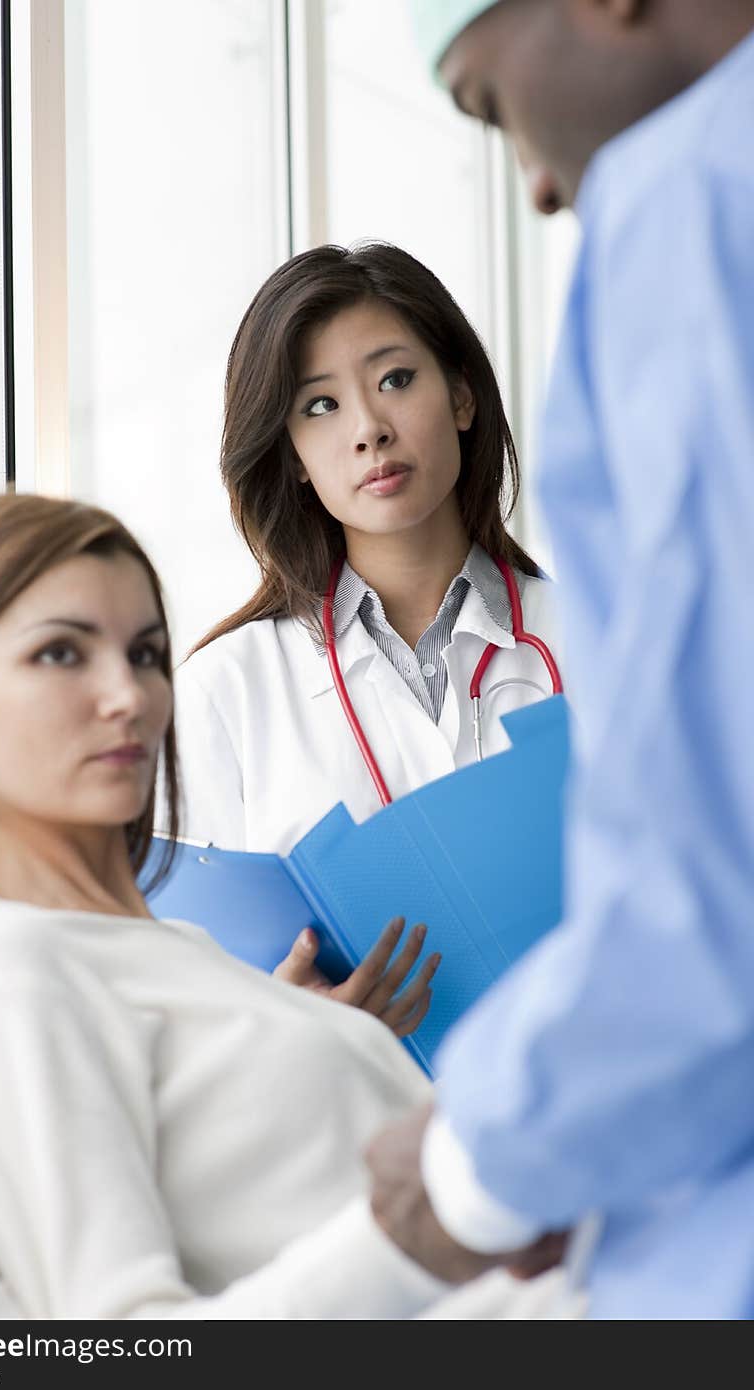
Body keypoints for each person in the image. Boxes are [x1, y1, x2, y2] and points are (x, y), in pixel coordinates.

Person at [0, 493, 555, 1319]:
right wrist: (406, 1233)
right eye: (60, 654)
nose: (128, 695)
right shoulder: (2, 963)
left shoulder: (183, 952)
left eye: (148, 654)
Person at [366, 0, 754, 1319]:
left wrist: (479, 1165)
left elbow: (719, 897)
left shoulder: (694, 197)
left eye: (488, 101)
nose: (533, 185)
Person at [173, 241, 564, 984]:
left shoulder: (599, 641)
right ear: (292, 455)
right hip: (350, 1096)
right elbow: (192, 999)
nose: (368, 429)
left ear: (461, 396)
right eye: (320, 405)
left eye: (395, 379)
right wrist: (289, 1023)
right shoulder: (225, 691)